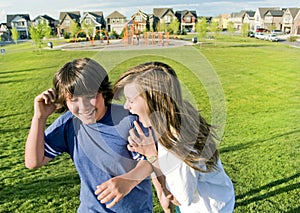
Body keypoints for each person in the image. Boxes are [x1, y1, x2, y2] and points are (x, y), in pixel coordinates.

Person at [24, 58, 153, 212]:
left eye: (90, 96)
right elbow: (33, 162)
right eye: (74, 100)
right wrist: (39, 118)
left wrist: (129, 180)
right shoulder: (68, 124)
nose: (83, 107)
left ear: (103, 92)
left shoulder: (129, 120)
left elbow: (153, 159)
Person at [113, 61, 235, 213]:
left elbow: (178, 198)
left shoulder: (176, 143)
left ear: (154, 100)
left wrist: (152, 155)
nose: (126, 106)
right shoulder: (178, 116)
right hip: (221, 198)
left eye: (131, 100)